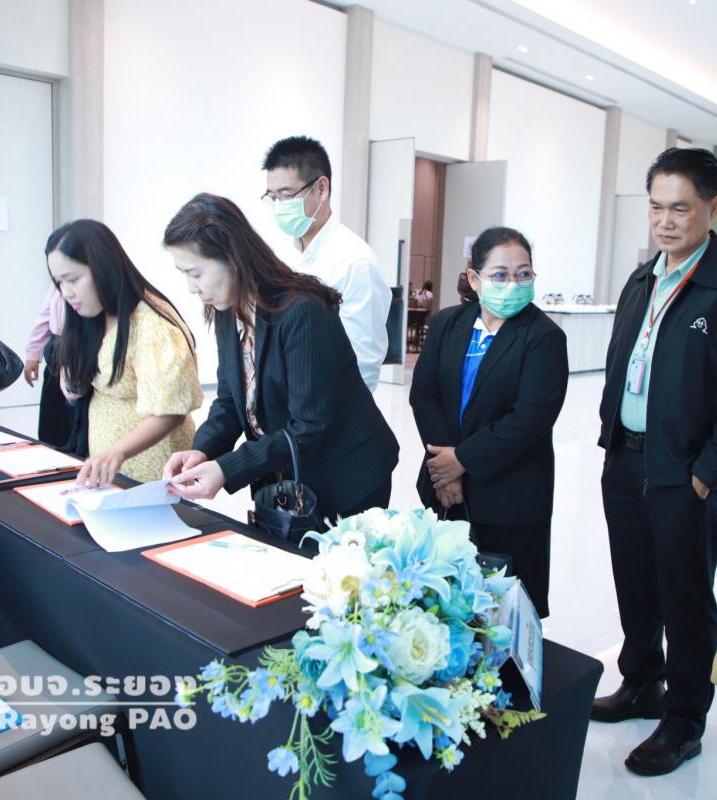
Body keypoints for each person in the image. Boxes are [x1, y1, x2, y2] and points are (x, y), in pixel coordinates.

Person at [593, 147, 717, 775]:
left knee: (685, 597)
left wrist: (707, 474)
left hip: (684, 473)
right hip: (625, 460)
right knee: (634, 584)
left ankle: (684, 720)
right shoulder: (642, 279)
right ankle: (642, 681)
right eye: (655, 207)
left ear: (713, 207)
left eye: (680, 208)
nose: (665, 221)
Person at [160, 194, 399, 521]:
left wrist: (227, 469)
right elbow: (229, 401)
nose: (191, 287)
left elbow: (310, 425)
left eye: (196, 273)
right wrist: (201, 451)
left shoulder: (301, 312)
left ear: (232, 257)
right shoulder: (228, 310)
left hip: (347, 476)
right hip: (291, 472)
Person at [409, 227, 568, 618]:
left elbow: (529, 420)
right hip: (446, 491)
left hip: (510, 496)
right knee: (447, 604)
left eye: (523, 274)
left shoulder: (544, 337)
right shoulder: (448, 324)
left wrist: (461, 461)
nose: (513, 283)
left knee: (507, 612)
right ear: (475, 278)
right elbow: (424, 395)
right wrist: (445, 469)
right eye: (500, 274)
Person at [46, 220, 202, 486]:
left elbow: (171, 411)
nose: (66, 292)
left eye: (73, 279)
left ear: (102, 267)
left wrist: (118, 451)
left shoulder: (151, 325)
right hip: (110, 468)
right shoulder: (91, 316)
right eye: (59, 282)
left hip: (152, 470)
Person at [262, 135, 391, 392]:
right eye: (273, 198)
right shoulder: (283, 255)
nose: (279, 207)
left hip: (330, 404)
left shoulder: (355, 261)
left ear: (321, 189)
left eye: (286, 195)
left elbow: (363, 362)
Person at [23, 283, 71, 447]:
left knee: (76, 431)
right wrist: (33, 354)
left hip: (83, 354)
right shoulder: (58, 280)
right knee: (50, 430)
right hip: (56, 354)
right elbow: (45, 316)